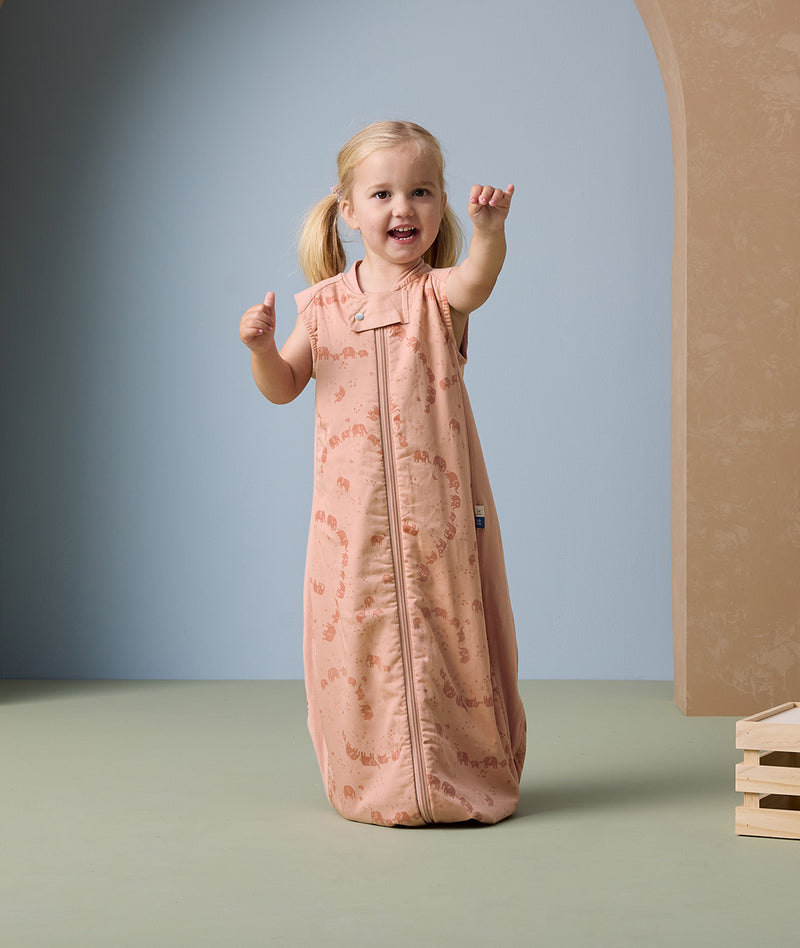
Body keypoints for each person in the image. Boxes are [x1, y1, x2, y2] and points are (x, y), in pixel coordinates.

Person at [240, 120, 526, 826]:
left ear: (441, 206)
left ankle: (459, 778)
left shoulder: (441, 295)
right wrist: (261, 348)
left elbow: (478, 281)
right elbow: (283, 385)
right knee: (358, 636)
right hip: (353, 527)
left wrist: (489, 233)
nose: (403, 208)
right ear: (348, 210)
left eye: (422, 191)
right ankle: (376, 783)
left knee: (449, 636)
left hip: (439, 519)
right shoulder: (325, 305)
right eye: (383, 193)